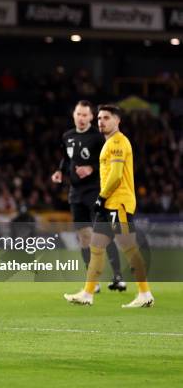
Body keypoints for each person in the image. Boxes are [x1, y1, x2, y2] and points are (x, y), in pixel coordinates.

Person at [64, 105, 154, 308]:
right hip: (109, 204)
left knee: (129, 248)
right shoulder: (109, 143)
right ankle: (87, 294)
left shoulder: (118, 142)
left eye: (106, 118)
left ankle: (145, 293)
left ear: (117, 120)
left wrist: (101, 197)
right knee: (96, 248)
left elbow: (115, 174)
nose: (101, 122)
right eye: (100, 118)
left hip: (118, 203)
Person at [51, 100, 126, 293]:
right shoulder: (67, 136)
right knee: (84, 238)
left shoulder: (98, 137)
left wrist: (91, 167)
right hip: (76, 193)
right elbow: (67, 158)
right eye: (79, 114)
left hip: (96, 191)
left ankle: (118, 275)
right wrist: (60, 171)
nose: (81, 118)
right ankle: (94, 280)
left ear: (91, 117)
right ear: (74, 115)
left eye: (85, 115)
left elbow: (107, 160)